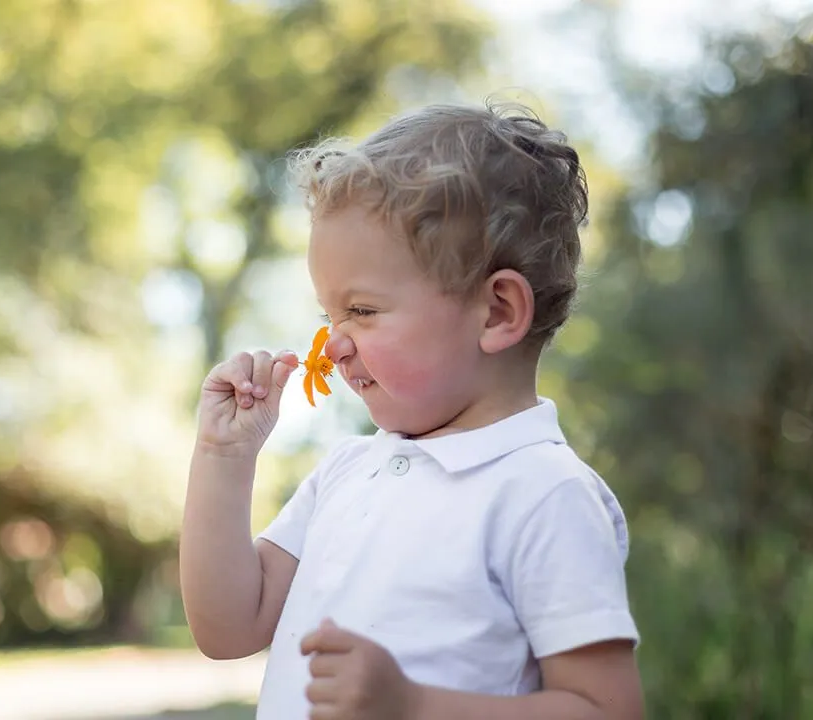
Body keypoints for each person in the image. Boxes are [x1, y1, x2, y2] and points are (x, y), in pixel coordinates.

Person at [180, 101, 644, 720]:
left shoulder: (543, 492)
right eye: (329, 316)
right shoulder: (345, 473)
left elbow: (607, 710)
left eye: (362, 312)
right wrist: (224, 457)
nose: (333, 344)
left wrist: (413, 705)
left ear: (498, 312)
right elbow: (227, 628)